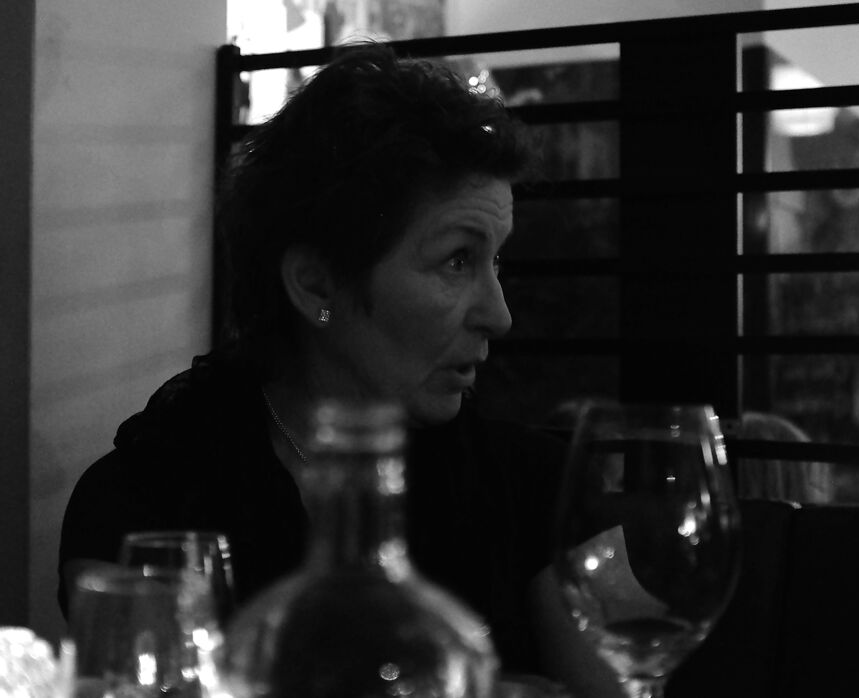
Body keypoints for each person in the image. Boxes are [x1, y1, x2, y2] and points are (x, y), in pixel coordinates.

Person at [58, 44, 564, 673]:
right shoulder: (148, 510)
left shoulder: (525, 485)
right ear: (316, 285)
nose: (500, 314)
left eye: (496, 259)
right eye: (457, 259)